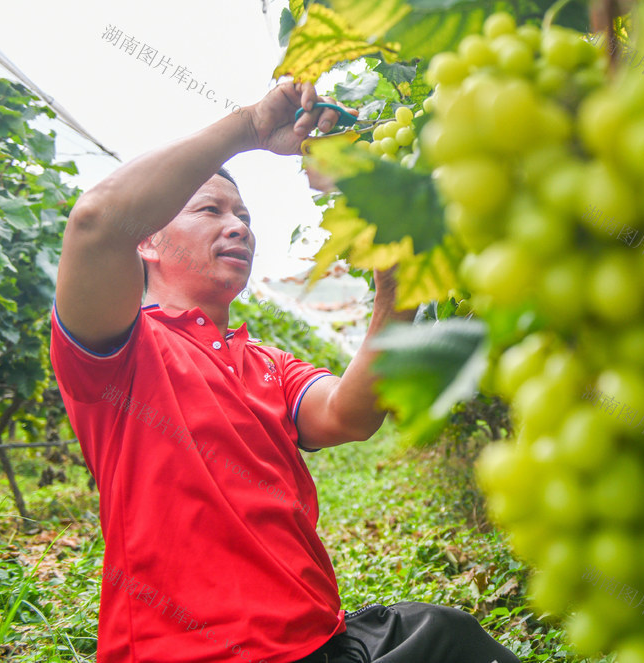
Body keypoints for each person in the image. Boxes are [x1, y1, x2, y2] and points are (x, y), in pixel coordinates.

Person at [50, 80, 521, 663]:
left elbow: (349, 416)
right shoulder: (120, 353)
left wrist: (396, 295)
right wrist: (248, 127)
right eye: (210, 210)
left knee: (446, 635)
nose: (238, 226)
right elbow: (97, 222)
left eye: (244, 215)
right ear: (147, 241)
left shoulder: (266, 362)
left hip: (320, 638)